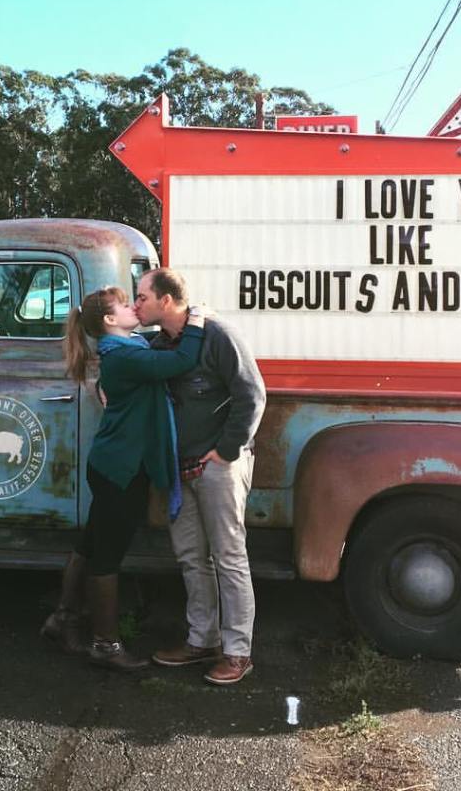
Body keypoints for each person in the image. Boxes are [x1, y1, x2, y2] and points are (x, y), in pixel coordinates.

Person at [41, 285, 206, 672]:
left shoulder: (125, 347)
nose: (134, 307)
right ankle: (105, 644)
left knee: (91, 543)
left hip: (112, 464)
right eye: (125, 305)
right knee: (107, 556)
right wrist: (197, 322)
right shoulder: (123, 356)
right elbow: (180, 361)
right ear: (110, 319)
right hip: (122, 470)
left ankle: (62, 620)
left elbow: (153, 349)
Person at [135, 268, 266, 686]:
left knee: (229, 557)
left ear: (166, 300)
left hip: (218, 466)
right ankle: (201, 640)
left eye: (142, 297)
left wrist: (226, 451)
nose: (136, 306)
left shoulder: (219, 335)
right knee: (191, 557)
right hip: (180, 469)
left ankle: (238, 652)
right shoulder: (160, 344)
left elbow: (252, 395)